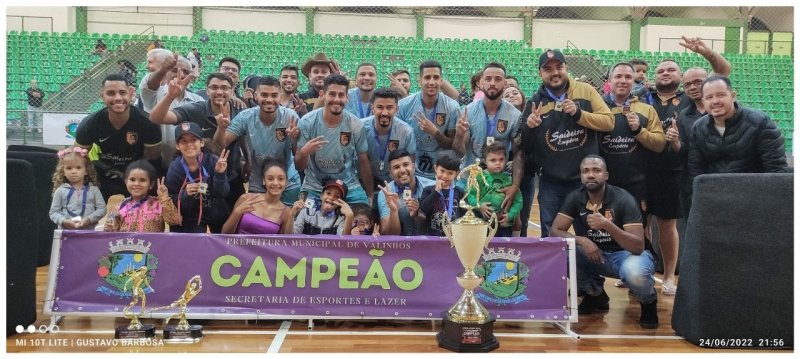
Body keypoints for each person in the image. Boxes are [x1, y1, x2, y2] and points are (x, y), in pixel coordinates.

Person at [642, 36, 731, 296]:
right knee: (639, 222)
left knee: (667, 224)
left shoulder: (691, 100)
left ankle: (669, 275)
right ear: (653, 75)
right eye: (660, 70)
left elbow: (722, 72)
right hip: (642, 169)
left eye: (671, 70)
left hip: (674, 172)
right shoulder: (642, 95)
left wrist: (706, 53)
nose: (665, 73)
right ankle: (641, 268)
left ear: (679, 77)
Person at [550, 155, 658, 329]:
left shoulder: (623, 199)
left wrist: (607, 225)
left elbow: (638, 246)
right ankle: (595, 295)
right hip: (598, 254)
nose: (590, 175)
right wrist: (582, 240)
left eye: (596, 170)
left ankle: (648, 302)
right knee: (560, 253)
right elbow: (555, 231)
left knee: (634, 273)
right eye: (586, 171)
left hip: (629, 255)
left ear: (606, 175)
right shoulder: (575, 197)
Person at [518, 49, 614, 237]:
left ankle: (585, 268)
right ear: (540, 73)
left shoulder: (586, 90)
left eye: (559, 67)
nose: (555, 72)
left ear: (566, 68)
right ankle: (557, 268)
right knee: (551, 235)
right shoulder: (534, 102)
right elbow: (524, 146)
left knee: (590, 234)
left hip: (585, 181)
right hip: (551, 183)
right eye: (548, 69)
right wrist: (530, 128)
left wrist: (579, 114)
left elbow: (608, 122)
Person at [149, 72, 248, 210]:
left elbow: (244, 138)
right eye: (214, 87)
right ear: (207, 90)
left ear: (232, 91)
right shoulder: (195, 109)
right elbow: (156, 118)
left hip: (231, 176)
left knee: (233, 224)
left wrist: (248, 160)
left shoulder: (240, 111)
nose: (219, 91)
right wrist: (170, 96)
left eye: (225, 88)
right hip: (200, 181)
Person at [214, 76, 301, 204]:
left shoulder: (290, 116)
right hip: (258, 181)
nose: (269, 100)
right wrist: (221, 128)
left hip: (287, 180)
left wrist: (294, 138)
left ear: (280, 96)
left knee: (287, 220)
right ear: (256, 96)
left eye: (274, 95)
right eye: (264, 95)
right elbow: (221, 144)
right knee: (259, 222)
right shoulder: (245, 117)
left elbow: (299, 154)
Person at [75, 74, 162, 200]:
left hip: (135, 178)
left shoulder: (148, 123)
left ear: (131, 93)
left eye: (122, 92)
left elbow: (154, 162)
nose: (117, 98)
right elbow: (78, 158)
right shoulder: (89, 124)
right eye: (110, 93)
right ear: (102, 96)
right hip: (102, 175)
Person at [688, 75, 788, 185]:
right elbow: (695, 171)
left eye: (721, 95)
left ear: (733, 96)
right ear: (703, 101)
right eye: (709, 97)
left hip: (755, 192)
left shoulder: (760, 122)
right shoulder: (698, 128)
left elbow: (776, 168)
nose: (715, 101)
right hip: (716, 195)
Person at [295, 74, 373, 205]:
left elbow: (363, 161)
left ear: (347, 97)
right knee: (303, 216)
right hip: (315, 185)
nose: (337, 99)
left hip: (348, 183)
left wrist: (370, 195)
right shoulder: (307, 122)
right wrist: (303, 153)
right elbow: (299, 166)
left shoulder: (355, 125)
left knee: (362, 216)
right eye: (332, 94)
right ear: (323, 94)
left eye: (341, 95)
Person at [396, 60, 461, 180]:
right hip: (411, 172)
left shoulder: (452, 106)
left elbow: (451, 146)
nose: (432, 82)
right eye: (427, 77)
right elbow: (399, 145)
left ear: (441, 81)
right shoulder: (403, 105)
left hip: (441, 173)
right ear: (419, 80)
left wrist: (435, 132)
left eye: (436, 77)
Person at [140, 53, 205, 170]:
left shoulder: (198, 100)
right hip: (159, 163)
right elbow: (149, 85)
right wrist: (162, 70)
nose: (180, 74)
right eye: (174, 70)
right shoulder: (154, 94)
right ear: (166, 73)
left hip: (191, 164)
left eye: (186, 71)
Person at [454, 62, 522, 174]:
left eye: (498, 79)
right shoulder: (468, 112)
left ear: (505, 84)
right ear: (481, 83)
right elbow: (459, 152)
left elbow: (518, 153)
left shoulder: (514, 115)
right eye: (488, 79)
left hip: (498, 181)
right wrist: (459, 135)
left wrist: (515, 185)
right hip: (470, 179)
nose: (492, 83)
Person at [165, 122, 231, 233]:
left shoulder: (214, 161)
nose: (189, 144)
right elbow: (173, 201)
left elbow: (222, 194)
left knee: (222, 239)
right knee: (192, 244)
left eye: (194, 140)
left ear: (201, 143)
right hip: (190, 215)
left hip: (215, 211)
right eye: (183, 141)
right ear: (177, 146)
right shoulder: (175, 168)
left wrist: (220, 174)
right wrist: (185, 194)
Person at [222, 158, 297, 234]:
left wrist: (292, 216)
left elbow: (285, 243)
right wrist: (237, 212)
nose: (275, 183)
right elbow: (225, 233)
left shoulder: (286, 212)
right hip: (237, 245)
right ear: (264, 180)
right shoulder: (246, 199)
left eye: (280, 179)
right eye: (270, 179)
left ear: (286, 182)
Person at [104, 160, 182, 232]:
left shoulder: (158, 204)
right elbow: (111, 234)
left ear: (151, 184)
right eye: (132, 179)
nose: (136, 184)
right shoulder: (118, 208)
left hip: (154, 246)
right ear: (126, 182)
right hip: (128, 246)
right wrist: (109, 228)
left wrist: (164, 198)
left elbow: (175, 221)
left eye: (142, 180)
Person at [465, 142, 523, 238]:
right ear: (484, 161)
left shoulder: (510, 180)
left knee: (501, 251)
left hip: (504, 225)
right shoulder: (478, 177)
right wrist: (479, 206)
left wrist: (510, 215)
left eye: (501, 160)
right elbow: (469, 195)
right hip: (481, 224)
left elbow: (518, 201)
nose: (498, 163)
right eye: (493, 160)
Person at [362, 88, 416, 185]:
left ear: (397, 109)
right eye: (380, 107)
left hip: (395, 182)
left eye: (389, 107)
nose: (384, 113)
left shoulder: (406, 131)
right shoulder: (361, 128)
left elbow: (410, 164)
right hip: (364, 180)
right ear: (372, 108)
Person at [376, 150, 435, 236]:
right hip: (402, 245)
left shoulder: (432, 186)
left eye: (406, 165)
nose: (402, 170)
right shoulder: (385, 193)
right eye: (396, 167)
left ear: (414, 167)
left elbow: (438, 223)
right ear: (391, 173)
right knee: (404, 210)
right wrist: (393, 210)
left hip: (430, 241)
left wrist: (418, 213)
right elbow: (389, 234)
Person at [49, 146, 107, 230]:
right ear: (63, 171)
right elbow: (53, 212)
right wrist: (63, 221)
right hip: (66, 235)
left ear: (86, 170)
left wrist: (88, 220)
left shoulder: (93, 189)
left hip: (89, 234)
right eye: (69, 168)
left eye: (78, 167)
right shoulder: (60, 191)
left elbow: (102, 209)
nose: (73, 171)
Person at [419, 151, 465, 236]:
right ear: (435, 169)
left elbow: (464, 216)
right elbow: (423, 209)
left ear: (456, 174)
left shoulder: (459, 192)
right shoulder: (428, 190)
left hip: (455, 237)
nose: (444, 176)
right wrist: (436, 191)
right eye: (442, 171)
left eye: (450, 173)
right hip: (432, 238)